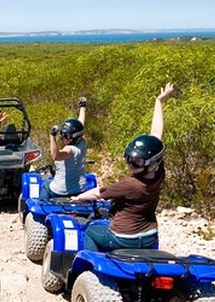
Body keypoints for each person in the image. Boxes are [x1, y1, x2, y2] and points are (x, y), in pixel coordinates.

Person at [70, 83, 175, 252]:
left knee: (91, 230)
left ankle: (89, 266)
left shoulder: (130, 185)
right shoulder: (158, 174)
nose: (130, 165)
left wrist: (78, 198)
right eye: (129, 159)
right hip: (149, 235)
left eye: (137, 162)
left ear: (150, 164)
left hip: (124, 237)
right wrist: (159, 101)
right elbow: (156, 136)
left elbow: (98, 193)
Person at [43, 96, 89, 198]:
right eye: (62, 134)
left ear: (75, 137)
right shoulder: (82, 143)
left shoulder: (69, 149)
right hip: (80, 189)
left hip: (61, 190)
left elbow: (56, 156)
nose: (63, 138)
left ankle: (39, 213)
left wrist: (52, 137)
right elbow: (80, 123)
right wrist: (82, 107)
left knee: (45, 186)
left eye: (66, 136)